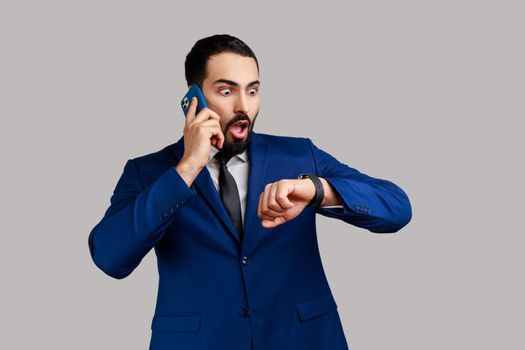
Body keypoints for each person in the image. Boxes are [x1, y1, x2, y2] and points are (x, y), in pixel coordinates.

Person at [88, 34, 412, 350]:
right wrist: (186, 168)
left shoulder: (299, 156)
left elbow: (397, 208)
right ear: (194, 97)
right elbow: (109, 257)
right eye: (227, 91)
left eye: (253, 91)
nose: (244, 106)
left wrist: (316, 189)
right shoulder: (148, 172)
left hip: (302, 340)